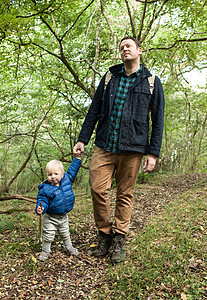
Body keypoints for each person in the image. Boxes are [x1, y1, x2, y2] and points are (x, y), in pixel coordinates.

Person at [73, 36, 165, 263]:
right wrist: (82, 139)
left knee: (125, 194)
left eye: (129, 46)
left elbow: (158, 119)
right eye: (122, 47)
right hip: (105, 145)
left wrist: (153, 153)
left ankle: (120, 238)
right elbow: (94, 110)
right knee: (97, 188)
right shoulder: (109, 78)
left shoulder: (151, 82)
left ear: (139, 51)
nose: (125, 49)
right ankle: (104, 233)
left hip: (133, 147)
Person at [35, 155, 82, 261]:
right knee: (48, 236)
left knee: (65, 234)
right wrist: (40, 208)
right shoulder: (45, 188)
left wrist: (77, 159)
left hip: (63, 216)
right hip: (50, 217)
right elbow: (42, 200)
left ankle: (69, 247)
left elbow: (73, 170)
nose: (53, 176)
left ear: (62, 174)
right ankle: (45, 251)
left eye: (56, 174)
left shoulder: (66, 179)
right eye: (50, 174)